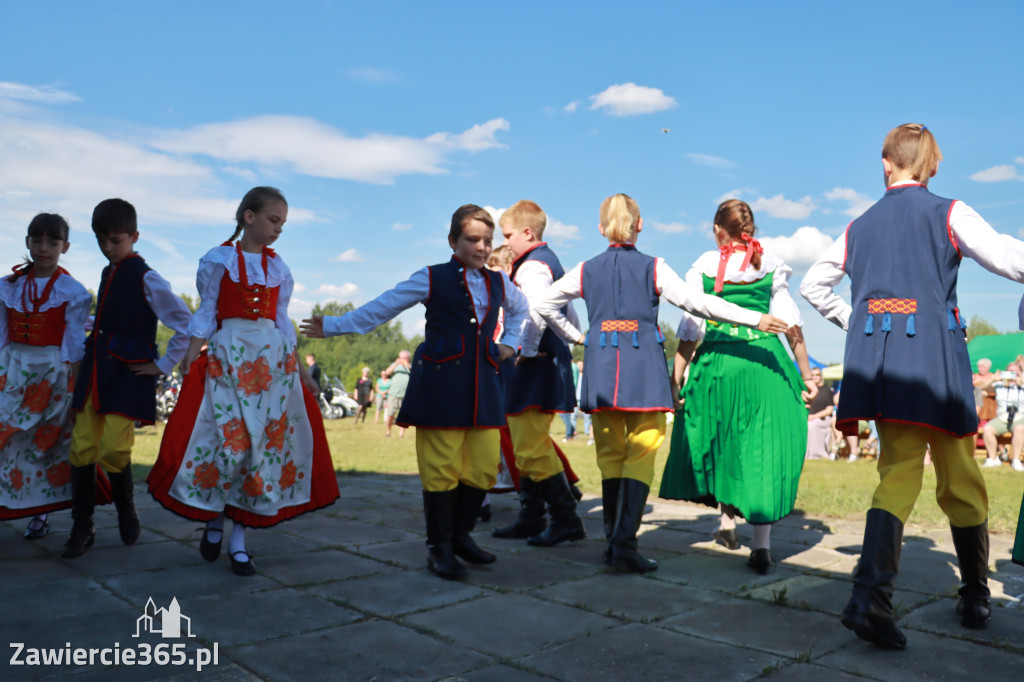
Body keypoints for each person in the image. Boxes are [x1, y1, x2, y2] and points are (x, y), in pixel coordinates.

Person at [801, 124, 1024, 648]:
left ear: (886, 164)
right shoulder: (949, 212)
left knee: (897, 473)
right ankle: (973, 594)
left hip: (881, 362)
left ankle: (869, 598)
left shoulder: (858, 225)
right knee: (961, 475)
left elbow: (813, 284)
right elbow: (1008, 257)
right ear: (931, 165)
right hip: (935, 363)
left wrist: (857, 321)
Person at [536, 193, 788, 573]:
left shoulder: (585, 269)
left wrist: (578, 336)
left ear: (600, 228)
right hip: (642, 368)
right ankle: (623, 544)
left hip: (602, 366)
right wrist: (753, 319)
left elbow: (543, 303)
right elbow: (697, 303)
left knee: (609, 453)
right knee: (640, 450)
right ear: (640, 225)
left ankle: (613, 543)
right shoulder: (655, 267)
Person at [301, 204, 530, 581]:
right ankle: (439, 549)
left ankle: (461, 537)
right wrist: (335, 325)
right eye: (473, 239)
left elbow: (522, 311)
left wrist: (511, 343)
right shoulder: (430, 278)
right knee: (441, 468)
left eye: (488, 240)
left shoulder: (499, 281)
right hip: (441, 386)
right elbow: (383, 307)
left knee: (486, 465)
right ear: (453, 241)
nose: (482, 247)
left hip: (485, 386)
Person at [148, 186, 339, 576]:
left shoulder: (279, 267)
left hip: (270, 364)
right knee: (228, 444)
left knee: (260, 450)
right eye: (273, 220)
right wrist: (191, 353)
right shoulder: (218, 259)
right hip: (229, 357)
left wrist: (302, 372)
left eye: (283, 224)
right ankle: (216, 521)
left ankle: (239, 542)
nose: (278, 229)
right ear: (248, 217)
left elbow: (283, 322)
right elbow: (207, 311)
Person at [659, 199, 816, 575]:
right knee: (760, 447)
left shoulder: (704, 265)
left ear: (718, 231)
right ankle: (760, 545)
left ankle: (727, 523)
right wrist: (807, 376)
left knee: (724, 441)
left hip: (719, 365)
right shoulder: (773, 265)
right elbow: (791, 326)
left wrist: (676, 375)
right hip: (765, 365)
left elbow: (691, 326)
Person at [63, 199, 193, 559]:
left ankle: (126, 508)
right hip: (94, 369)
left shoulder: (147, 276)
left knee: (113, 449)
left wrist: (164, 364)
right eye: (101, 240)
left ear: (134, 236)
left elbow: (185, 322)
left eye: (116, 241)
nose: (108, 248)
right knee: (82, 446)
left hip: (128, 373)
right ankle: (82, 525)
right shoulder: (107, 272)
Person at [492, 200, 585, 547]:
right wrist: (570, 341)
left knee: (529, 446)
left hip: (533, 361)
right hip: (544, 358)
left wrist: (524, 351)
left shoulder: (532, 268)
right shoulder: (545, 263)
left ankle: (565, 520)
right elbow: (570, 312)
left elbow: (534, 313)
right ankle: (531, 517)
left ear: (528, 233)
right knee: (524, 442)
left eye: (509, 236)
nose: (507, 243)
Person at [0, 214, 100, 539]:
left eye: (52, 242)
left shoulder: (71, 291)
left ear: (65, 247)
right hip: (13, 369)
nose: (44, 248)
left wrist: (77, 385)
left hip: (52, 373)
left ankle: (40, 513)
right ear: (28, 241)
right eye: (38, 240)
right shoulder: (7, 286)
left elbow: (74, 341)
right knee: (7, 437)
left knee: (44, 442)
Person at [978, 362, 1024, 470]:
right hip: (1002, 417)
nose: (1012, 374)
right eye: (1010, 371)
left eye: (1015, 371)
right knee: (987, 429)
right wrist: (993, 379)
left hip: (1020, 417)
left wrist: (1021, 382)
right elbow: (980, 388)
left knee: (1020, 429)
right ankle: (993, 459)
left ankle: (1016, 460)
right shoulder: (999, 385)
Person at [806, 368, 834, 460]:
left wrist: (814, 416)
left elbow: (829, 410)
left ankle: (814, 455)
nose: (814, 377)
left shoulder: (826, 390)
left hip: (823, 419)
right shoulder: (807, 390)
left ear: (821, 376)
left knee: (812, 425)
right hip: (808, 418)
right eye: (812, 375)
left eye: (817, 375)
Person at [384, 351, 411, 438]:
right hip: (394, 394)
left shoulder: (410, 366)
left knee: (403, 415)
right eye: (402, 358)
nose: (404, 360)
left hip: (405, 395)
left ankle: (401, 433)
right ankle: (388, 431)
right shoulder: (395, 365)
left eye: (405, 358)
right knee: (390, 414)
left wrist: (407, 366)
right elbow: (387, 372)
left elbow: (415, 372)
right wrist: (396, 363)